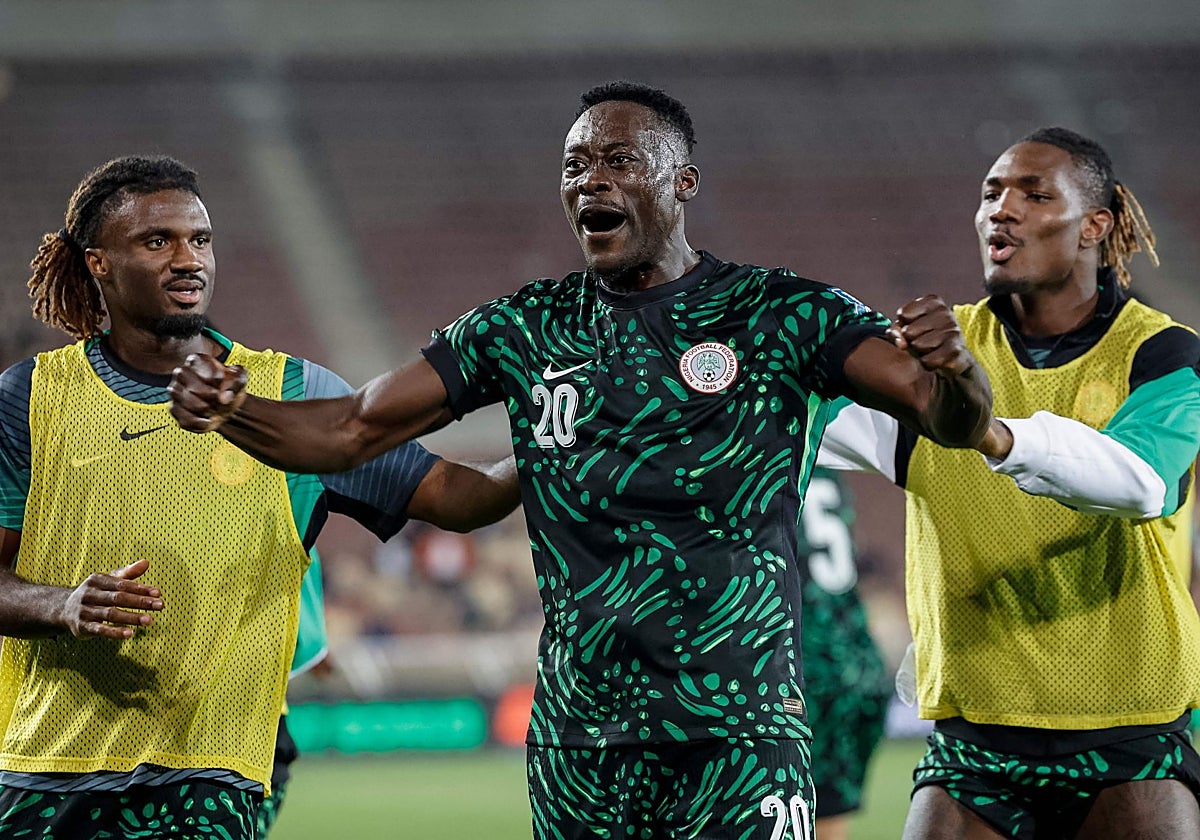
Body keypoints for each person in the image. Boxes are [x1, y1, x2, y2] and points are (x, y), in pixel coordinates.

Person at [168, 80, 1000, 840]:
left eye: (618, 161)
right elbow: (351, 430)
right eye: (574, 165)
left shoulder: (783, 314)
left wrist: (959, 372)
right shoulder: (524, 328)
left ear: (684, 183)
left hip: (739, 733)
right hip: (580, 743)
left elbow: (946, 418)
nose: (589, 181)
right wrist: (234, 410)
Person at [0, 154, 521, 839]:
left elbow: (461, 497)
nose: (189, 259)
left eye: (201, 240)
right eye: (158, 242)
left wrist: (561, 441)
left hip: (209, 781)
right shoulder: (29, 399)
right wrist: (62, 604)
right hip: (42, 772)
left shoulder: (298, 396)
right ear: (97, 262)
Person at [818, 127, 1200, 839]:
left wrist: (989, 429)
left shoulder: (1161, 353)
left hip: (1128, 737)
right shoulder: (932, 355)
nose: (1002, 209)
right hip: (973, 745)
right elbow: (801, 426)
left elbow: (1139, 479)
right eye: (991, 192)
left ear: (1095, 224)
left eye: (1033, 194)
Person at [797, 467, 890, 840]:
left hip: (800, 665)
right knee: (826, 818)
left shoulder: (759, 449)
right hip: (858, 658)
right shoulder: (824, 465)